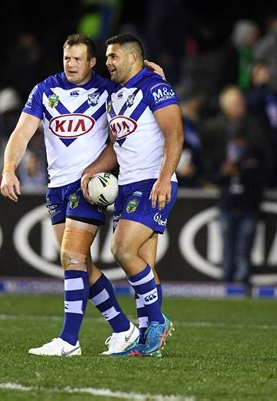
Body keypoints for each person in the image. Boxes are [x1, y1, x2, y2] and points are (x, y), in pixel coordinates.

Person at [0, 34, 164, 357]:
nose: (71, 64)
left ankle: (68, 340)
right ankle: (123, 329)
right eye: (66, 58)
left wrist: (157, 80)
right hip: (56, 188)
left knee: (71, 257)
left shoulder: (108, 92)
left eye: (77, 59)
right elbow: (21, 132)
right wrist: (8, 169)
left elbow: (139, 104)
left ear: (92, 62)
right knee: (80, 266)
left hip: (88, 187)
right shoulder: (45, 90)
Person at [81, 33, 183, 357]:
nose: (107, 62)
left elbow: (175, 133)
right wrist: (91, 170)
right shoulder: (116, 97)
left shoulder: (155, 87)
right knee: (145, 266)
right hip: (127, 186)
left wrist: (165, 178)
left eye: (112, 56)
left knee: (121, 250)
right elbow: (115, 147)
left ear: (133, 58)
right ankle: (147, 343)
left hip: (152, 181)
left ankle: (157, 323)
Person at [217, 131, 265, 285]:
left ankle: (242, 279)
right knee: (228, 246)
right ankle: (227, 278)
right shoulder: (223, 154)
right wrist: (225, 173)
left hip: (248, 207)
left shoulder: (255, 156)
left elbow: (262, 179)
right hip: (228, 206)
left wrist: (241, 172)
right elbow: (212, 176)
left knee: (244, 247)